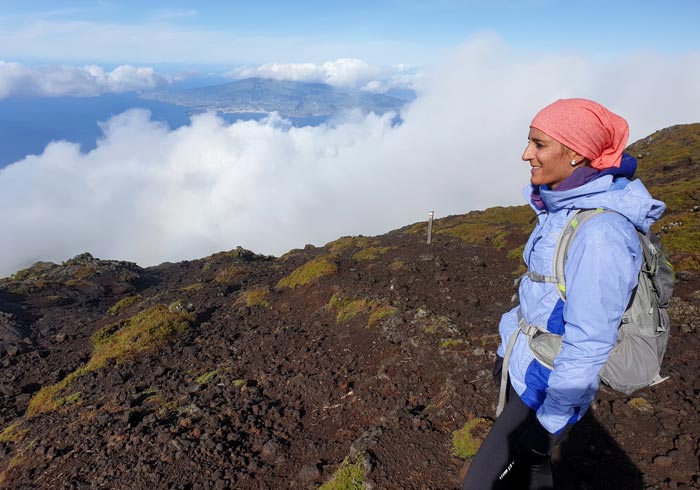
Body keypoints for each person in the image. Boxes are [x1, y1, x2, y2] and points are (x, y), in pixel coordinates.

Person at [461, 98, 665, 489]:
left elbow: (589, 342)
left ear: (575, 154)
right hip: (532, 369)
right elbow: (536, 292)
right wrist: (507, 348)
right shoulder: (562, 210)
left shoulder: (600, 235)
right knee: (528, 477)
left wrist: (546, 428)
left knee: (482, 484)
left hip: (548, 383)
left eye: (539, 144)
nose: (526, 154)